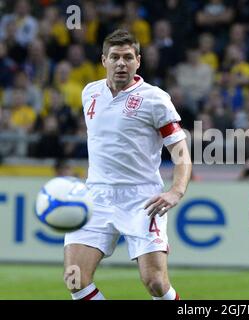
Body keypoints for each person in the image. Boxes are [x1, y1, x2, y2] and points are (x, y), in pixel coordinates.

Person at [63, 29, 192, 300]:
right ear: (103, 61)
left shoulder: (155, 98)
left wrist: (176, 190)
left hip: (141, 200)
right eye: (115, 57)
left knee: (155, 282)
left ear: (138, 61)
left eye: (128, 57)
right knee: (75, 279)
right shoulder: (90, 93)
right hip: (96, 197)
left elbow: (180, 151)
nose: (121, 63)